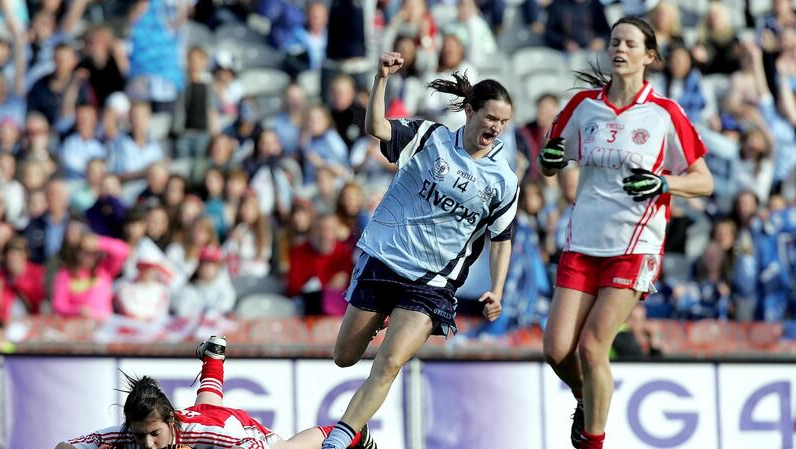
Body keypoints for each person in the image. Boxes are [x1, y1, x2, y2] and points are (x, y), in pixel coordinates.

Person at [320, 52, 517, 449]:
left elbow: (501, 238)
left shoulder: (504, 180)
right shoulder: (430, 138)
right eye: (490, 117)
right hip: (386, 261)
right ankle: (362, 430)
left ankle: (340, 440)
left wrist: (497, 288)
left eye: (503, 122)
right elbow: (376, 126)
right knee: (344, 356)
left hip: (432, 282)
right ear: (470, 109)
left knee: (389, 362)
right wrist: (380, 77)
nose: (495, 128)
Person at [539, 16, 714, 449]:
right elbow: (550, 163)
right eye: (615, 41)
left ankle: (593, 441)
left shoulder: (664, 113)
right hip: (583, 241)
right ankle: (588, 399)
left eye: (630, 44)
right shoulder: (584, 106)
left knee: (593, 346)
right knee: (556, 350)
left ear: (649, 56)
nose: (619, 49)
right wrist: (551, 160)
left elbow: (704, 180)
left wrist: (664, 183)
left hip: (634, 245)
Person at [56, 336, 378, 449]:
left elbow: (243, 444)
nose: (148, 445)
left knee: (289, 448)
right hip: (202, 422)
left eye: (153, 435)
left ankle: (350, 433)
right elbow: (64, 447)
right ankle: (213, 357)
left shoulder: (214, 434)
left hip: (233, 430)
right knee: (206, 407)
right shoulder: (130, 434)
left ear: (170, 422)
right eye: (141, 437)